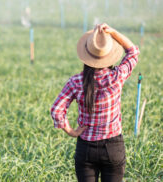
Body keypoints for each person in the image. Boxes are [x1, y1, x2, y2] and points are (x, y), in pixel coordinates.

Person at [50, 23, 140, 182]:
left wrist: (71, 131)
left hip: (86, 148)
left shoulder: (76, 81)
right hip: (113, 147)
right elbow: (133, 51)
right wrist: (113, 32)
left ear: (86, 55)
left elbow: (57, 110)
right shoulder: (117, 76)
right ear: (109, 55)